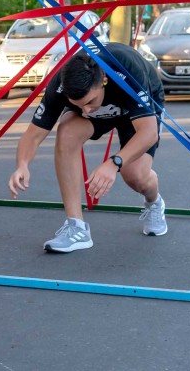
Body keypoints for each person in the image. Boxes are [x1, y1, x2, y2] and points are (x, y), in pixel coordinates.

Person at [9, 42, 167, 252]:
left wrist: (114, 163)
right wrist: (22, 164)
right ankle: (77, 228)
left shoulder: (127, 68)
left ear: (103, 80)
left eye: (90, 101)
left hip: (134, 111)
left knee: (136, 176)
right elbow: (34, 134)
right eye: (78, 103)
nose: (86, 109)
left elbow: (148, 133)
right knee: (67, 131)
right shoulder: (61, 82)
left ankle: (154, 202)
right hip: (106, 109)